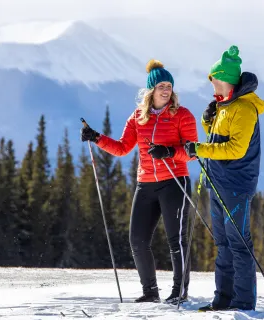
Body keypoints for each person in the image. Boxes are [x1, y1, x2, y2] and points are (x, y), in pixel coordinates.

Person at [81, 59, 198, 305]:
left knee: (176, 239)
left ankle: (179, 291)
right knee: (137, 240)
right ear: (151, 90)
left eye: (169, 86)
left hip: (175, 181)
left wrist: (168, 152)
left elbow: (192, 151)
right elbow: (123, 148)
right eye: (161, 86)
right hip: (146, 184)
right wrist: (96, 138)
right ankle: (150, 291)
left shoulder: (182, 115)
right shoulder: (138, 117)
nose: (166, 90)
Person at [184, 45, 264, 311]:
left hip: (236, 185)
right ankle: (223, 299)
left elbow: (235, 149)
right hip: (218, 183)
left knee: (239, 243)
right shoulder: (225, 105)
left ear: (227, 81)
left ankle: (243, 303)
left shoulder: (243, 109)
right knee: (223, 243)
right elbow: (217, 138)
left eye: (215, 80)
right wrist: (207, 121)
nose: (213, 85)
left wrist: (197, 148)